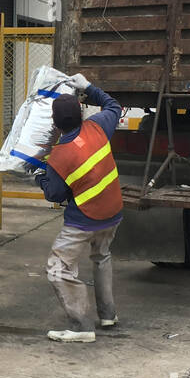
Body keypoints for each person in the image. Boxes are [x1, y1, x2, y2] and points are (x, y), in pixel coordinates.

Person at [34, 80, 125, 343]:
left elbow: (54, 194)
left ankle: (81, 325)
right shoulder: (98, 126)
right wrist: (89, 86)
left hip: (85, 219)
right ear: (82, 112)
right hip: (113, 212)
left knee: (58, 268)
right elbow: (113, 104)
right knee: (102, 256)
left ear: (55, 123)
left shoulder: (60, 156)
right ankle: (108, 315)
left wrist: (40, 175)